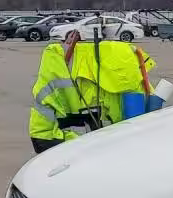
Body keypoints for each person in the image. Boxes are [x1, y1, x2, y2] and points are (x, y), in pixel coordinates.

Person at [28, 29, 157, 153]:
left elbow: (42, 139)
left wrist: (89, 147)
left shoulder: (56, 65)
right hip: (123, 156)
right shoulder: (130, 63)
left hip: (82, 159)